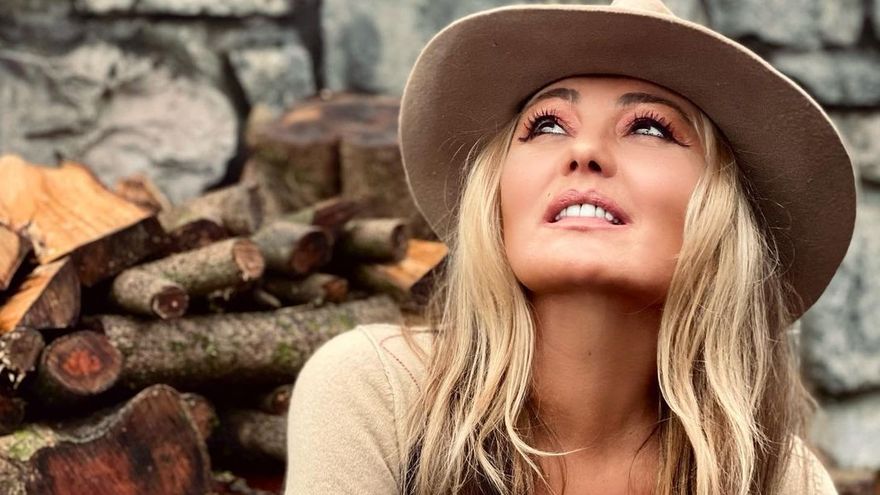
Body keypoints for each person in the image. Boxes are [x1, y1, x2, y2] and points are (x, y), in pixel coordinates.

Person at [282, 0, 856, 494]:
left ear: (723, 211)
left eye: (649, 128)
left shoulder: (781, 477)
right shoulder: (376, 392)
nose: (584, 151)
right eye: (548, 125)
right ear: (496, 195)